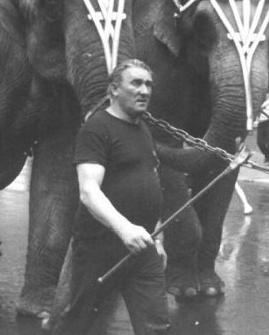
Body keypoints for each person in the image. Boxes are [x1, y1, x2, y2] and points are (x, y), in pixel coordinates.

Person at [55, 59, 169, 335]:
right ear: (114, 90)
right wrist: (124, 228)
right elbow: (89, 191)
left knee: (156, 326)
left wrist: (158, 237)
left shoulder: (142, 128)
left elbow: (150, 182)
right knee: (84, 325)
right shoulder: (97, 128)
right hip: (99, 247)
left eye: (148, 84)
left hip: (143, 245)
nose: (144, 91)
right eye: (136, 83)